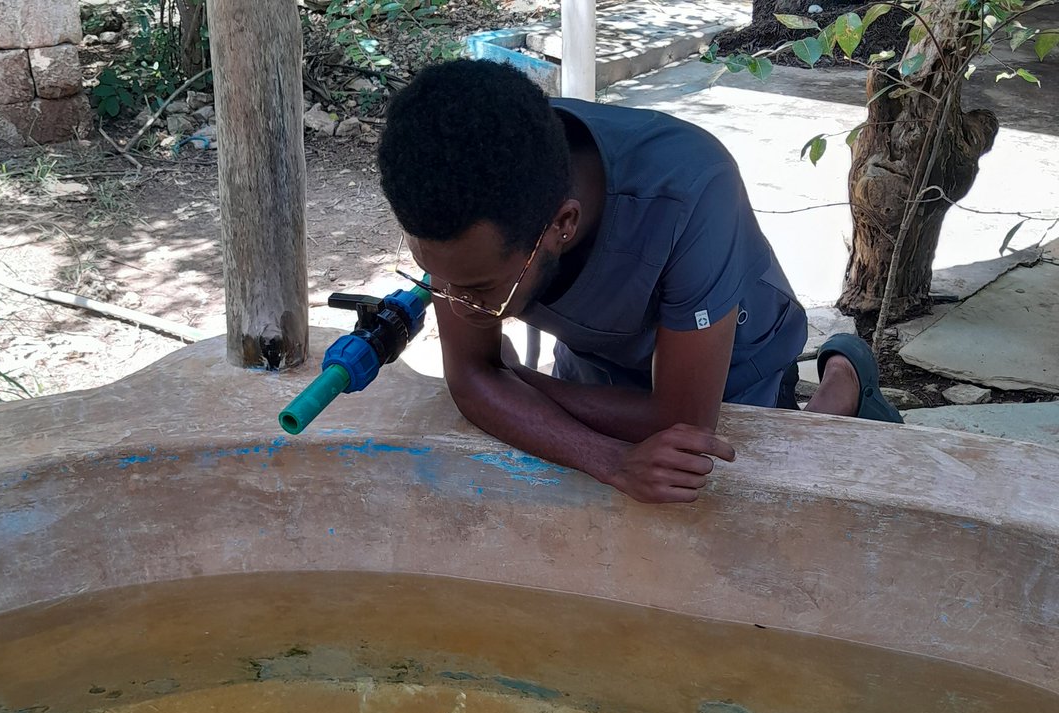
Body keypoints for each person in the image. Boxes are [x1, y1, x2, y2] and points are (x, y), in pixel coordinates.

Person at [376, 59, 903, 505]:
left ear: (563, 225)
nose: (459, 308)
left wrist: (521, 385)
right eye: (437, 280)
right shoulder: (465, 192)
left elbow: (685, 423)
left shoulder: (692, 189)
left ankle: (845, 379)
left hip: (735, 366)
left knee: (757, 486)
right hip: (598, 356)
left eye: (481, 290)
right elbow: (474, 378)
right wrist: (610, 460)